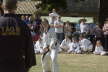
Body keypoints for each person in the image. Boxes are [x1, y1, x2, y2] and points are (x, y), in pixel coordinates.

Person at [0, 0, 36, 72]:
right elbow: (29, 49)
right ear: (16, 7)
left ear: (3, 6)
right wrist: (27, 66)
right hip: (18, 66)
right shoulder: (23, 25)